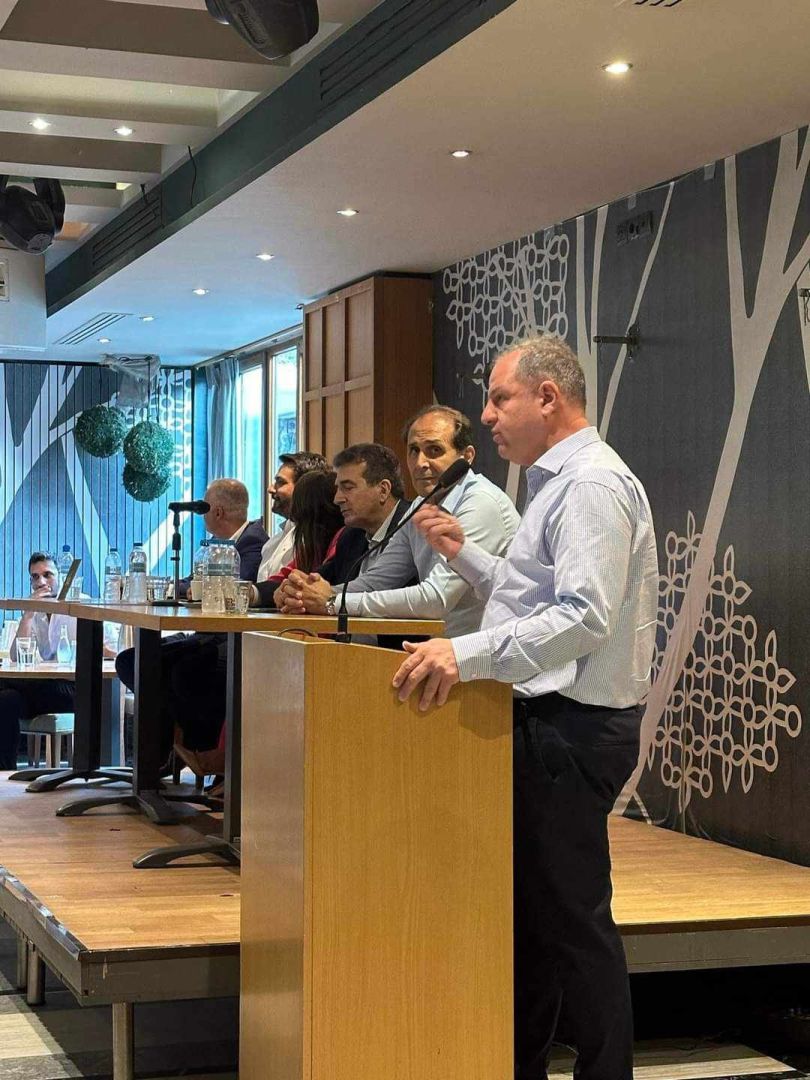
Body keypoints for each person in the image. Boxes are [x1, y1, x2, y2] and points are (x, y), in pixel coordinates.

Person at [391, 336, 659, 1080]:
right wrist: (465, 553)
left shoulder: (591, 485)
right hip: (554, 723)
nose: (486, 415)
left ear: (548, 397)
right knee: (539, 922)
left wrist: (463, 654)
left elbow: (582, 618)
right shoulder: (560, 482)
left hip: (574, 727)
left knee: (573, 925)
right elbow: (534, 596)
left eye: (499, 397)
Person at [277, 406, 519, 637]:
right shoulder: (420, 505)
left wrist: (333, 602)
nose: (420, 463)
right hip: (445, 651)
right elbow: (378, 581)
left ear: (466, 456)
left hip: (490, 656)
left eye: (434, 450)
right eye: (414, 450)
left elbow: (436, 599)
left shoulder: (481, 502)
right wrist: (305, 595)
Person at [115, 477, 267, 762]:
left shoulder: (252, 543)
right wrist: (172, 587)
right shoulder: (216, 545)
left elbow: (234, 587)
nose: (201, 514)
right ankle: (164, 755)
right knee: (131, 661)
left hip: (231, 639)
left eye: (203, 507)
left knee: (179, 671)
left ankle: (187, 750)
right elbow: (191, 582)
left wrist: (188, 588)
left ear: (217, 512)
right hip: (206, 635)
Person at [254, 443, 411, 608]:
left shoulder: (412, 526)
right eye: (338, 489)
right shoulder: (350, 536)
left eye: (348, 488)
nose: (337, 499)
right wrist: (289, 591)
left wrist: (320, 597)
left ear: (383, 490)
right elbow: (313, 582)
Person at [0, 553, 75, 769]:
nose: (41, 582)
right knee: (6, 699)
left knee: (12, 685)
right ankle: (4, 773)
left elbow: (111, 648)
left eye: (47, 575)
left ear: (60, 576)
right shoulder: (35, 612)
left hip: (72, 687)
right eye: (35, 577)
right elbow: (16, 655)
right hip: (42, 689)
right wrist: (28, 614)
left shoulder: (80, 604)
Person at [256, 452, 330, 582]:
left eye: (280, 482)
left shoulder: (318, 539)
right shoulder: (273, 542)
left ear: (304, 487)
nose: (270, 489)